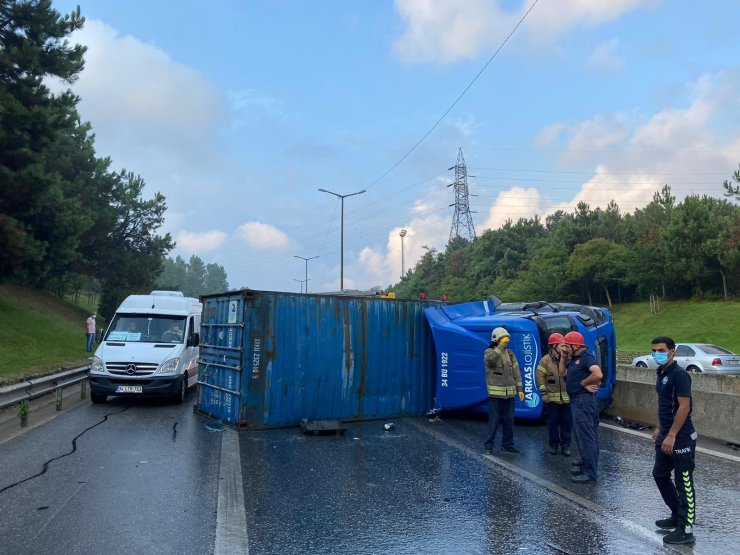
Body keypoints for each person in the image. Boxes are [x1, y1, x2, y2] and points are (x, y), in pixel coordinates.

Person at [651, 336, 697, 546]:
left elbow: (684, 407)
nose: (657, 353)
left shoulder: (679, 375)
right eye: (654, 350)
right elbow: (664, 404)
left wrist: (671, 435)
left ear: (672, 351)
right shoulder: (660, 373)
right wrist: (660, 429)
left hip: (682, 437)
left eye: (661, 350)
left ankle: (686, 529)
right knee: (659, 474)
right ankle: (676, 514)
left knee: (683, 481)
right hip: (666, 434)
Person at [560, 331, 602, 483]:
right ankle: (586, 464)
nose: (564, 347)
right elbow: (562, 373)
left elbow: (598, 374)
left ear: (576, 346)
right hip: (577, 401)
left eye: (567, 345)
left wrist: (583, 383)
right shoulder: (574, 358)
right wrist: (564, 357)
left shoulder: (586, 358)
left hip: (583, 401)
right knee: (582, 436)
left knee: (587, 437)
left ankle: (590, 473)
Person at [483, 327, 524, 455]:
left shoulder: (510, 354)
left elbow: (516, 372)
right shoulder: (489, 352)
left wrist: (520, 389)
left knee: (509, 421)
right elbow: (490, 362)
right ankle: (488, 446)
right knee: (493, 421)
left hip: (510, 394)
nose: (506, 341)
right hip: (496, 395)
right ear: (496, 340)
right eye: (502, 339)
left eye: (506, 339)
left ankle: (507, 445)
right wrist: (500, 347)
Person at [536, 333, 572, 456]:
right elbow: (540, 377)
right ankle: (553, 445)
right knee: (553, 424)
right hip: (551, 400)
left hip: (567, 400)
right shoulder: (545, 360)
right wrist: (544, 394)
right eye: (562, 345)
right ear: (554, 346)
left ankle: (566, 446)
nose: (564, 348)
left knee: (567, 425)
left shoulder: (568, 359)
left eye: (565, 345)